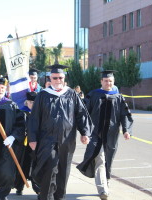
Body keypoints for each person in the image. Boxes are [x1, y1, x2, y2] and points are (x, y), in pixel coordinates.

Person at [27, 64, 93, 200]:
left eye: (60, 77)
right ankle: (46, 197)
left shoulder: (72, 94)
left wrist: (85, 132)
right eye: (55, 78)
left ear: (64, 78)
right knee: (49, 168)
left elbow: (81, 114)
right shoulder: (43, 95)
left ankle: (59, 197)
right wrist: (32, 138)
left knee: (63, 171)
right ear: (50, 79)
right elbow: (34, 118)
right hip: (47, 140)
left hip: (67, 140)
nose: (58, 80)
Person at [76, 70, 133, 200]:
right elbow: (83, 113)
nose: (108, 83)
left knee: (108, 159)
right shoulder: (93, 95)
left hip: (111, 135)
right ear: (101, 81)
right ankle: (103, 190)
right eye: (106, 80)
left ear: (114, 82)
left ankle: (106, 181)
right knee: (99, 158)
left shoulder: (118, 97)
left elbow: (125, 115)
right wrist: (84, 131)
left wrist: (126, 130)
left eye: (111, 81)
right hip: (95, 134)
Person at [14, 91, 40, 196]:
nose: (32, 104)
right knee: (22, 165)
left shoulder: (40, 114)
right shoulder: (21, 113)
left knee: (36, 166)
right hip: (23, 145)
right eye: (30, 102)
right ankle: (19, 187)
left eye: (34, 102)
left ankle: (38, 188)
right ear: (26, 102)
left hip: (36, 145)